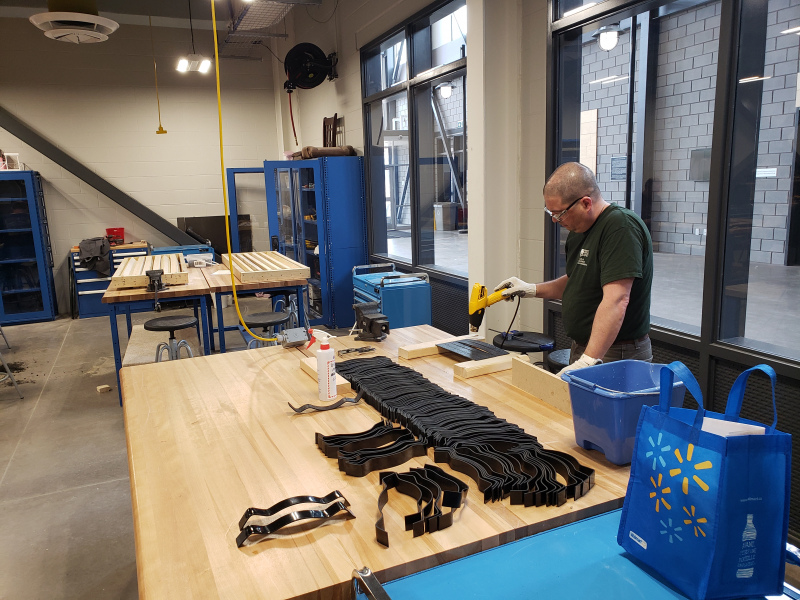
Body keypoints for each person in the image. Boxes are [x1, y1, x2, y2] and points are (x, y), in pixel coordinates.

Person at [495, 162, 653, 375]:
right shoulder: (579, 230)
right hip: (586, 347)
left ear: (586, 203)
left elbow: (617, 300)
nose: (555, 220)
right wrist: (530, 289)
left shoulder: (620, 227)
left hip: (617, 352)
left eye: (559, 213)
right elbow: (575, 281)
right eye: (550, 212)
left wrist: (589, 360)